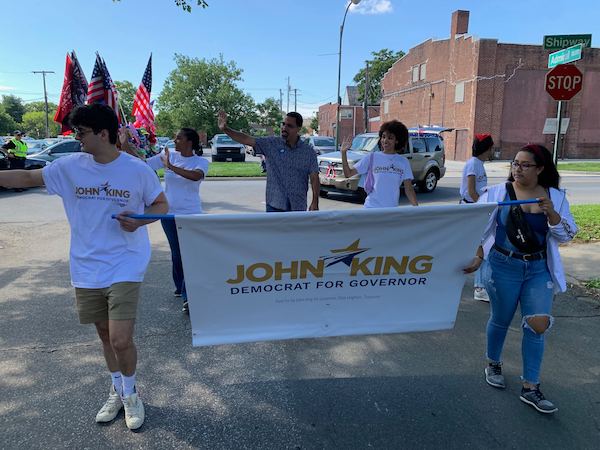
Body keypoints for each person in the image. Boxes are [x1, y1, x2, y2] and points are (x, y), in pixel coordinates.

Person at [0, 104, 168, 430]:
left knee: (120, 338)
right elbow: (25, 176)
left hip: (126, 263)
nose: (77, 138)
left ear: (103, 134)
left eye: (82, 132)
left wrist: (141, 221)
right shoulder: (70, 167)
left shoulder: (136, 170)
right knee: (105, 335)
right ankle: (117, 390)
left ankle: (132, 395)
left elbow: (160, 203)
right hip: (86, 265)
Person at [464, 144, 577, 414]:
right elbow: (476, 225)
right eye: (515, 163)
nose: (517, 169)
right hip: (503, 266)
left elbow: (567, 235)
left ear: (540, 169)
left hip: (538, 269)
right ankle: (493, 362)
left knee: (537, 324)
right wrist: (478, 256)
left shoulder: (556, 198)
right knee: (501, 319)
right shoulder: (498, 193)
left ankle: (531, 387)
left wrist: (552, 214)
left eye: (525, 165)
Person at [145, 128, 209, 313]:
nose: (175, 140)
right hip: (169, 213)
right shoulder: (168, 154)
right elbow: (143, 165)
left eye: (179, 137)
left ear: (190, 142)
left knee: (188, 253)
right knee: (177, 252)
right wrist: (127, 145)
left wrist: (170, 167)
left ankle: (188, 295)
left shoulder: (200, 162)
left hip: (191, 214)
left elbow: (196, 176)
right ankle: (180, 286)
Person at [218, 110, 319, 212]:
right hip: (274, 205)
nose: (284, 128)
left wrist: (315, 202)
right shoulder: (271, 144)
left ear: (298, 129)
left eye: (289, 126)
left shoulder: (308, 152)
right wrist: (226, 129)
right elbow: (246, 139)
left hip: (297, 207)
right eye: (283, 124)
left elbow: (314, 178)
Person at [340, 120, 418, 208]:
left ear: (397, 141)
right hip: (371, 209)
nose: (385, 140)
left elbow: (409, 189)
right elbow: (348, 173)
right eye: (383, 137)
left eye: (390, 138)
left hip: (391, 211)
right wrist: (343, 153)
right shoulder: (372, 157)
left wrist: (417, 209)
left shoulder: (403, 162)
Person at [460, 134, 494, 302]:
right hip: (472, 209)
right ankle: (480, 287)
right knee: (482, 247)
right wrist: (482, 208)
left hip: (474, 208)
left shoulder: (479, 163)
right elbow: (472, 190)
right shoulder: (473, 163)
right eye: (491, 148)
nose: (492, 151)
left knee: (478, 247)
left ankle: (480, 285)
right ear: (486, 148)